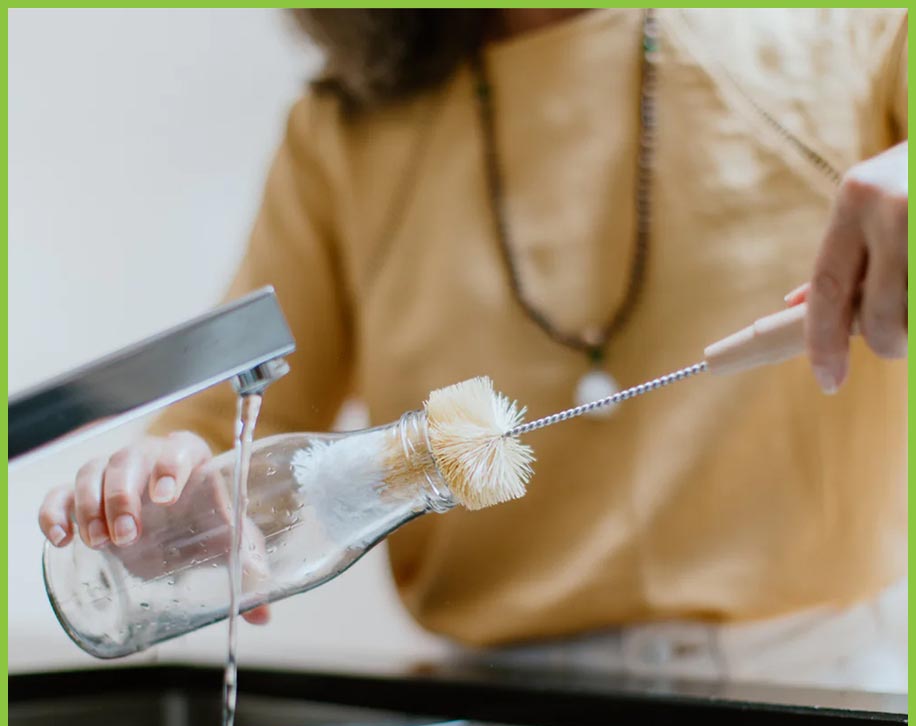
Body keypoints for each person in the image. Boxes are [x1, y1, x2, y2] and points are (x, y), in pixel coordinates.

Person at [38, 9, 908, 690]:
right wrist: (162, 490)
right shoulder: (344, 133)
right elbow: (231, 430)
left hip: (822, 700)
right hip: (493, 723)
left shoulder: (856, 28)